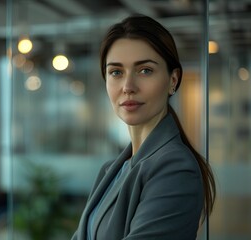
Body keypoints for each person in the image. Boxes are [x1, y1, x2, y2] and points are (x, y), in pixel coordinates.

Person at [71, 14, 216, 240]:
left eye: (145, 70)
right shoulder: (112, 169)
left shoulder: (176, 169)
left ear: (173, 80)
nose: (128, 87)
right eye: (116, 72)